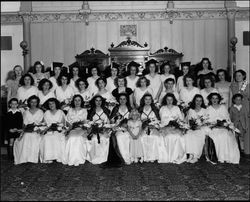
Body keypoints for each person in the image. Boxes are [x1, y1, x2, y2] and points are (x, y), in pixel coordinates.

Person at [206, 92, 240, 164]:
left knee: (227, 135)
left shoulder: (223, 107)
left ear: (219, 99)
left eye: (216, 98)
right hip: (213, 128)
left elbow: (227, 118)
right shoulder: (208, 109)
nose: (215, 100)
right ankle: (221, 157)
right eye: (213, 98)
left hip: (223, 127)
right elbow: (206, 121)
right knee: (219, 136)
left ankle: (228, 156)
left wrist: (225, 124)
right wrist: (214, 124)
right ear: (210, 99)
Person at [101, 93, 132, 168]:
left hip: (129, 128)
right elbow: (111, 121)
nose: (122, 100)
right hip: (118, 128)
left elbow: (134, 119)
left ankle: (129, 156)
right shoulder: (116, 108)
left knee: (128, 137)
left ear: (126, 100)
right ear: (118, 100)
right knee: (119, 137)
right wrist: (117, 123)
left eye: (124, 99)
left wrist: (128, 124)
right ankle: (123, 157)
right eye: (121, 99)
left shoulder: (130, 108)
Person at [13, 95, 44, 165]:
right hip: (27, 130)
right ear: (29, 103)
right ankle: (25, 158)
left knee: (33, 137)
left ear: (37, 103)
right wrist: (26, 128)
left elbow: (41, 123)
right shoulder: (26, 112)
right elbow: (24, 124)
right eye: (32, 102)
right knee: (26, 136)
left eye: (35, 102)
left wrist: (37, 128)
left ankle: (33, 158)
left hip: (37, 131)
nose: (33, 104)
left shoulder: (40, 112)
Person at [158, 93, 186, 164]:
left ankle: (176, 156)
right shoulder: (162, 108)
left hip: (175, 127)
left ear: (173, 100)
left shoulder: (176, 108)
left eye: (171, 99)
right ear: (165, 100)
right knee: (168, 137)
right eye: (168, 99)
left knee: (177, 137)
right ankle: (168, 157)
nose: (169, 101)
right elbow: (161, 120)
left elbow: (181, 119)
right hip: (165, 127)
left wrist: (176, 124)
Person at [63, 95, 89, 166]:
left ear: (81, 101)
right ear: (73, 101)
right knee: (72, 138)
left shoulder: (84, 110)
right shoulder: (70, 110)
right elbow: (67, 121)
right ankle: (72, 159)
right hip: (72, 128)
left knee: (78, 138)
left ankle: (79, 158)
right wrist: (70, 126)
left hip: (81, 129)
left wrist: (79, 125)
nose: (77, 102)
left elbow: (84, 122)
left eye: (79, 100)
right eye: (75, 100)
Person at [39, 98, 66, 163]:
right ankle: (48, 157)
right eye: (49, 104)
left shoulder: (60, 112)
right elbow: (44, 124)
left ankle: (57, 156)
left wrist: (58, 127)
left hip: (58, 130)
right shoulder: (46, 113)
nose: (51, 105)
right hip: (48, 131)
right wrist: (47, 129)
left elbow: (63, 123)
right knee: (46, 138)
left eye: (53, 103)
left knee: (56, 137)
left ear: (56, 104)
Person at [184, 94, 209, 163]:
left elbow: (207, 121)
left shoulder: (204, 110)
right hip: (192, 128)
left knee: (198, 135)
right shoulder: (191, 110)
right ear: (194, 101)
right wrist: (193, 126)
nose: (198, 102)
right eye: (197, 100)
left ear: (202, 102)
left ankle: (196, 156)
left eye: (200, 101)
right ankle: (191, 155)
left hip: (201, 128)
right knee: (188, 135)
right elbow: (188, 121)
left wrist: (200, 126)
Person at [86, 95, 111, 164]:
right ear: (94, 102)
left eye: (100, 100)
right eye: (96, 100)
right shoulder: (91, 111)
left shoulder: (106, 110)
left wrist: (106, 129)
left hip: (104, 129)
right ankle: (95, 157)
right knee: (94, 139)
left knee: (103, 138)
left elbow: (108, 122)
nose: (98, 102)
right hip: (93, 130)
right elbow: (89, 122)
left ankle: (103, 157)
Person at [230, 69, 249, 154]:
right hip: (236, 109)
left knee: (246, 127)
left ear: (244, 76)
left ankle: (247, 149)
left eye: (239, 75)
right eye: (236, 75)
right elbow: (231, 97)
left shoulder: (247, 85)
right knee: (236, 127)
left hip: (245, 108)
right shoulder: (233, 85)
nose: (237, 77)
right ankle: (237, 149)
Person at [139, 94, 161, 162]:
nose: (148, 101)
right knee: (142, 137)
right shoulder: (140, 109)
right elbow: (137, 120)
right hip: (143, 128)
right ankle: (145, 156)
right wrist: (143, 125)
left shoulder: (155, 109)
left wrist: (154, 125)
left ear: (151, 100)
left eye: (149, 99)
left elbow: (158, 120)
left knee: (155, 137)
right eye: (146, 99)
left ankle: (153, 156)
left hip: (153, 127)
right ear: (143, 100)